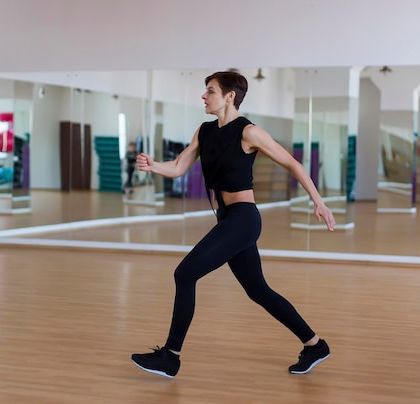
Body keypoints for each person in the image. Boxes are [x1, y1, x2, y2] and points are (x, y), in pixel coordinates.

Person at [131, 71, 335, 378]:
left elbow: (292, 162)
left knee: (184, 274)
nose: (203, 96)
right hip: (228, 218)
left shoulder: (248, 132)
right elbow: (178, 166)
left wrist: (318, 200)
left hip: (243, 219)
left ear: (229, 96)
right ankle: (314, 344)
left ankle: (170, 357)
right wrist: (152, 166)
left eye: (210, 91)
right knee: (258, 290)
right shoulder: (204, 131)